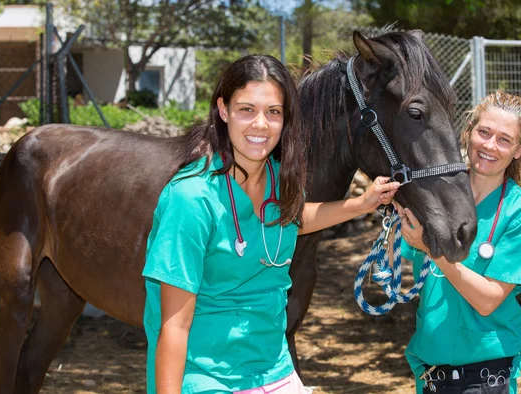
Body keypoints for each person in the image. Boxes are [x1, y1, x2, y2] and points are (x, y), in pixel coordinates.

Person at [142, 54, 400, 394]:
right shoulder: (191, 199)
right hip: (206, 377)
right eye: (246, 109)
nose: (260, 124)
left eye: (273, 112)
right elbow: (173, 327)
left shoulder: (280, 179)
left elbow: (289, 219)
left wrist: (360, 204)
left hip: (274, 369)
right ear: (223, 110)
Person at [393, 90, 521, 394]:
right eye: (484, 132)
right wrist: (396, 209)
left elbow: (488, 300)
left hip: (484, 379)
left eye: (504, 139)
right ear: (467, 133)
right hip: (429, 375)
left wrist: (432, 249)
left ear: (519, 149)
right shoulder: (432, 196)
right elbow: (395, 262)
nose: (490, 145)